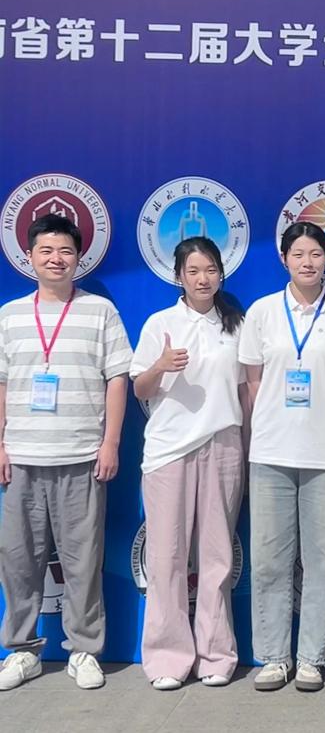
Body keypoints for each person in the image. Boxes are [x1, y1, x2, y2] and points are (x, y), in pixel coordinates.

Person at [0, 214, 132, 691]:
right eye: (46, 251)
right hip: (22, 457)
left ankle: (84, 651)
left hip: (81, 456)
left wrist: (110, 442)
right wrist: (1, 444)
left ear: (78, 257)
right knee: (18, 562)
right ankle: (21, 650)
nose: (56, 259)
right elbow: (2, 383)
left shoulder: (100, 311)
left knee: (83, 561)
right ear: (29, 257)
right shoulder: (10, 315)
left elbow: (117, 378)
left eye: (65, 251)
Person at [239, 222, 325, 692]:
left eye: (315, 254)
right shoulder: (262, 312)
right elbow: (253, 382)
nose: (307, 262)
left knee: (322, 560)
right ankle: (274, 656)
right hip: (271, 450)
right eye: (298, 254)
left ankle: (312, 657)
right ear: (284, 259)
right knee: (269, 561)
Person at [130, 237, 247, 690]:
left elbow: (245, 392)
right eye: (193, 271)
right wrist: (160, 366)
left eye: (210, 270)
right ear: (179, 276)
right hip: (169, 451)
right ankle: (167, 658)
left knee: (217, 557)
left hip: (223, 446)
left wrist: (248, 445)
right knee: (166, 557)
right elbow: (140, 389)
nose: (203, 279)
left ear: (221, 274)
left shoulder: (235, 324)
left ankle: (217, 655)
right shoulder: (161, 323)